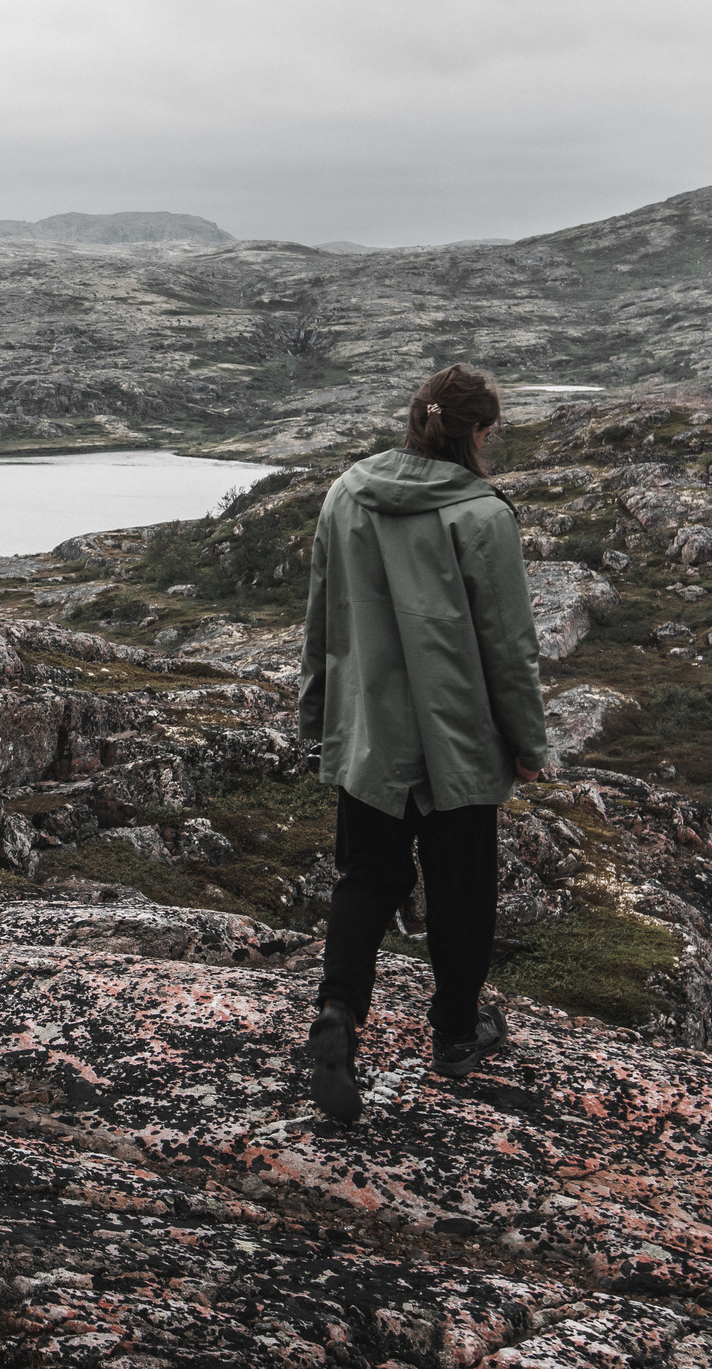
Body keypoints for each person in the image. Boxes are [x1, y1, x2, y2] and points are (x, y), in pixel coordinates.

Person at [296, 363, 551, 1121]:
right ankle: (457, 1036)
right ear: (478, 434)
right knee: (461, 890)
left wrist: (318, 719)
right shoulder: (482, 515)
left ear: (415, 420)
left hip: (370, 732)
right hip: (457, 737)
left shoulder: (347, 494)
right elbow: (509, 646)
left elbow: (321, 618)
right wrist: (529, 744)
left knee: (367, 878)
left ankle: (338, 1014)